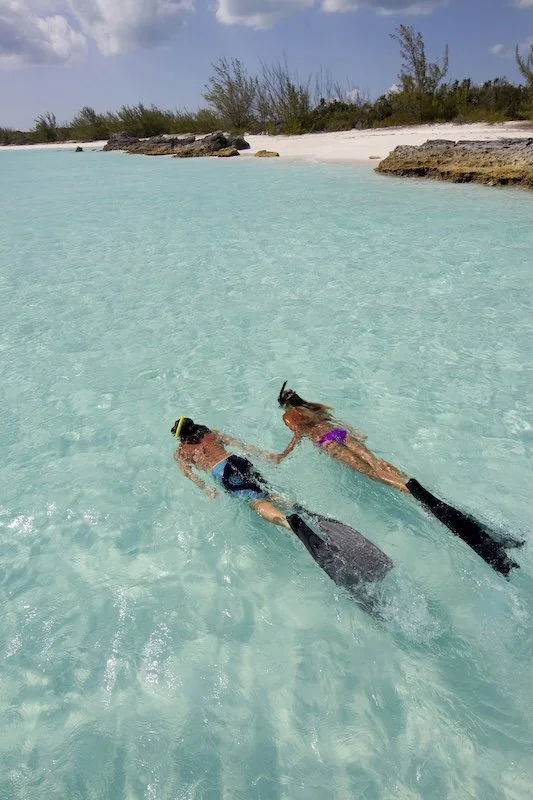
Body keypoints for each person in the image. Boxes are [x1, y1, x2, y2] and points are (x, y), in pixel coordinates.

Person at [270, 382, 522, 577]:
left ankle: (407, 488)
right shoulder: (311, 406)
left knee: (371, 472)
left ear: (283, 405)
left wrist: (283, 455)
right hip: (338, 433)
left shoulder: (289, 415)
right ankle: (405, 480)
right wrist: (355, 432)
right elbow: (334, 422)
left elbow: (297, 434)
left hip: (326, 441)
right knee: (377, 462)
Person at [171, 416, 292, 530]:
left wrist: (206, 488)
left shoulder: (181, 452)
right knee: (265, 493)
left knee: (257, 502)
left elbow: (189, 474)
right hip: (238, 461)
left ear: (180, 436)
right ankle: (293, 507)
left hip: (223, 472)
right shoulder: (212, 433)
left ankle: (286, 522)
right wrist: (266, 455)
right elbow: (241, 444)